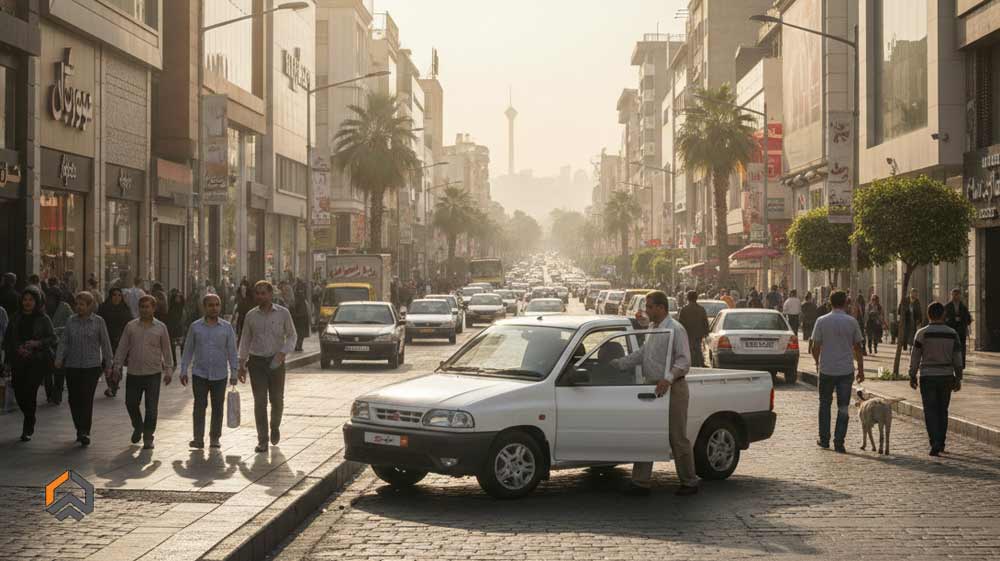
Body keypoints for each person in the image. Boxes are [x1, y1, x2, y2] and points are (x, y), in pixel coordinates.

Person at [608, 291, 697, 496]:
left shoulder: (675, 329)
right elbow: (643, 354)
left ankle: (689, 482)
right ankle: (640, 482)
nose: (647, 310)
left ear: (661, 307)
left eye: (649, 306)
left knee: (677, 436)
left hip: (673, 388)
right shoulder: (653, 328)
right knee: (647, 433)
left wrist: (668, 379)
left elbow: (684, 360)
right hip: (651, 388)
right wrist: (620, 363)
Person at [238, 281, 297, 453]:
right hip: (256, 363)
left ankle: (275, 426)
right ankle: (262, 439)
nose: (260, 296)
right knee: (260, 401)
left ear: (271, 294)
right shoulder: (251, 316)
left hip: (276, 362)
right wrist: (241, 364)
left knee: (277, 399)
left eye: (263, 293)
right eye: (257, 293)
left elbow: (292, 335)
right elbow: (245, 339)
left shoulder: (283, 313)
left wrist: (283, 353)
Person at [180, 293, 240, 449]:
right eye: (210, 305)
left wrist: (234, 372)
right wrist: (183, 369)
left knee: (218, 407)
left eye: (217, 305)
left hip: (220, 375)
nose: (214, 308)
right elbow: (188, 350)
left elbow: (232, 351)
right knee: (199, 406)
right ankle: (198, 438)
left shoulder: (226, 328)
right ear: (204, 307)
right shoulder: (195, 327)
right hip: (199, 373)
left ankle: (215, 438)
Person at [114, 295, 174, 449]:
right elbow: (122, 347)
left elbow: (167, 350)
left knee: (151, 408)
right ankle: (138, 426)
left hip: (153, 373)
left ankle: (148, 436)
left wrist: (169, 369)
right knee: (131, 403)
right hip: (134, 373)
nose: (144, 310)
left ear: (154, 308)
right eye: (142, 307)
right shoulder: (131, 326)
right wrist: (117, 366)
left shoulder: (161, 327)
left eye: (148, 307)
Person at [54, 292, 114, 446]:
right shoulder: (71, 321)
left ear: (90, 306)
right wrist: (59, 358)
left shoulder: (98, 322)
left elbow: (105, 344)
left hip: (91, 367)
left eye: (82, 304)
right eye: (77, 304)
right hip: (72, 365)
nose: (79, 307)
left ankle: (84, 431)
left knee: (86, 398)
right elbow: (64, 341)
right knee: (73, 399)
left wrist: (109, 364)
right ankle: (79, 427)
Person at [810, 290, 865, 453]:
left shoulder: (821, 321)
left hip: (827, 369)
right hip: (845, 370)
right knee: (843, 407)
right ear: (846, 303)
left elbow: (815, 346)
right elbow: (858, 348)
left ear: (830, 303)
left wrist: (817, 362)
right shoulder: (852, 322)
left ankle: (824, 439)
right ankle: (839, 442)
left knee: (824, 404)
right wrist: (861, 370)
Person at [909, 302, 963, 456]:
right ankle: (942, 442)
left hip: (928, 376)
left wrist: (912, 374)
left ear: (928, 315)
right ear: (943, 314)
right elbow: (957, 357)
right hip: (946, 376)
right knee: (942, 410)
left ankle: (935, 442)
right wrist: (958, 377)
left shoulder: (921, 333)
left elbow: (915, 356)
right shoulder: (952, 333)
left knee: (930, 411)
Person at [3, 288, 56, 441]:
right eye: (25, 299)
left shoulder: (43, 318)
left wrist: (37, 343)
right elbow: (8, 340)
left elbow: (53, 338)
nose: (27, 302)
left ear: (36, 302)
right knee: (19, 392)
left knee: (30, 392)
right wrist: (13, 353)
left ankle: (27, 426)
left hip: (37, 361)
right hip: (18, 360)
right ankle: (29, 415)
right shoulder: (15, 318)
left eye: (31, 300)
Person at [97, 287, 133, 397]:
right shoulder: (104, 308)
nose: (117, 297)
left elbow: (130, 324)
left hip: (121, 340)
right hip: (107, 340)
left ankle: (114, 386)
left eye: (119, 295)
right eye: (114, 295)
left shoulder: (125, 309)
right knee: (108, 363)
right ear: (110, 296)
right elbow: (98, 323)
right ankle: (111, 385)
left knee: (118, 363)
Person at [46, 292, 75, 405]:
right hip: (47, 343)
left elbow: (71, 322)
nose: (50, 301)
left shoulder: (65, 307)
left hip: (60, 342)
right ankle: (49, 394)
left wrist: (57, 330)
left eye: (52, 298)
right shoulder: (43, 307)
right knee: (47, 371)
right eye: (49, 298)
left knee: (59, 370)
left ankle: (57, 395)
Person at [678, 291, 709, 368]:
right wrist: (706, 332)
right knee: (698, 349)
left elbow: (680, 323)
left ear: (687, 298)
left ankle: (691, 363)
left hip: (688, 333)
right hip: (698, 334)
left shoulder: (684, 309)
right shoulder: (701, 309)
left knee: (689, 349)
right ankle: (700, 363)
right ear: (696, 298)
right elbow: (705, 322)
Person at [944, 288, 972, 369]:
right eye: (953, 295)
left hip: (961, 331)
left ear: (960, 295)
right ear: (951, 295)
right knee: (950, 348)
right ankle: (950, 363)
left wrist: (963, 322)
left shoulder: (963, 307)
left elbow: (968, 319)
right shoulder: (947, 306)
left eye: (957, 295)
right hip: (950, 331)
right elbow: (944, 318)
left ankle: (961, 365)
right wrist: (951, 320)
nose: (955, 296)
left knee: (961, 348)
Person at [166, 289, 187, 366]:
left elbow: (185, 318)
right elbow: (169, 319)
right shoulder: (171, 309)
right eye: (176, 297)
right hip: (173, 329)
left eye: (179, 297)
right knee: (173, 346)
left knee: (182, 346)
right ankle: (174, 361)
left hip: (181, 328)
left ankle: (183, 360)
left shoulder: (183, 308)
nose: (178, 298)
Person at [291, 281, 311, 352]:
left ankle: (298, 346)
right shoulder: (299, 298)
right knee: (300, 334)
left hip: (301, 318)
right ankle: (298, 346)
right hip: (300, 318)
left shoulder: (299, 298)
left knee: (300, 334)